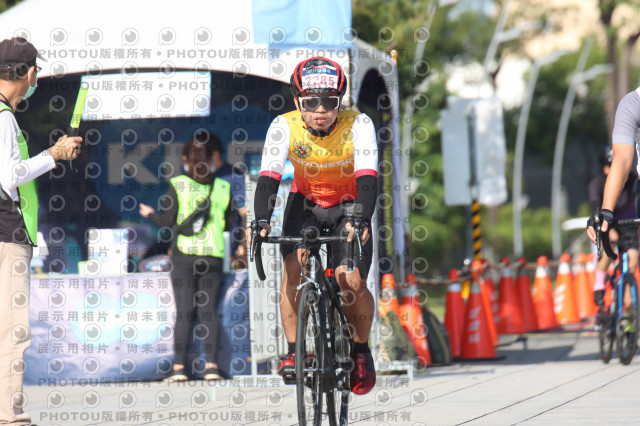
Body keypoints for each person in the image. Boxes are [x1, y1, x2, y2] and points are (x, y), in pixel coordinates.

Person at [248, 57, 378, 395]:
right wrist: (261, 221)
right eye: (311, 102)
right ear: (297, 102)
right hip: (306, 204)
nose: (320, 110)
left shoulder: (359, 124)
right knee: (294, 270)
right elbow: (268, 178)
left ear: (340, 101)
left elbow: (367, 179)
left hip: (349, 204)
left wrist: (361, 218)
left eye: (329, 102)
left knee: (351, 280)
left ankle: (360, 350)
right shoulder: (283, 126)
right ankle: (295, 352)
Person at [0, 37, 82, 425]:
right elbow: (10, 176)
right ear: (30, 73)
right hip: (7, 235)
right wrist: (53, 155)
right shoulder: (3, 116)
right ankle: (8, 414)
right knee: (12, 332)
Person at [139, 134, 236, 382]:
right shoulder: (224, 188)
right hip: (213, 256)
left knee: (184, 312)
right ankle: (212, 367)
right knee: (208, 312)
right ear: (213, 159)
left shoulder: (178, 184)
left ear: (185, 159)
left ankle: (179, 368)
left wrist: (149, 215)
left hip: (184, 256)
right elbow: (228, 225)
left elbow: (167, 222)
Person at [587, 90, 640, 313]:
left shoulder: (632, 181)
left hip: (630, 221)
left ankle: (628, 303)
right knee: (611, 243)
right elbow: (623, 159)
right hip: (616, 222)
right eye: (607, 166)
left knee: (634, 258)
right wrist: (604, 213)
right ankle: (600, 285)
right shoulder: (633, 103)